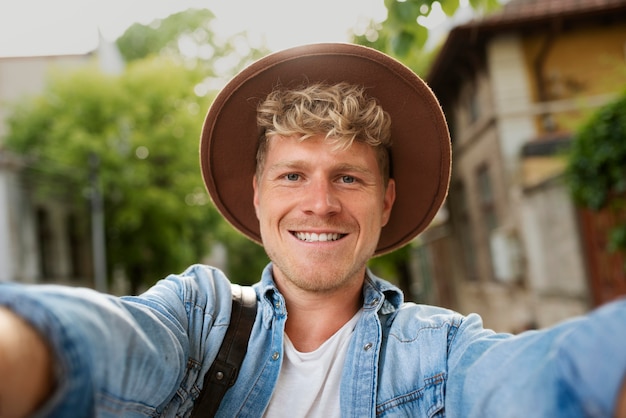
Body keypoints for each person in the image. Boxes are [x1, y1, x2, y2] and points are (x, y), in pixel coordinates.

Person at [0, 43, 625, 418]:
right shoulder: (197, 317)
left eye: (349, 178)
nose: (320, 204)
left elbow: (544, 377)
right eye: (293, 175)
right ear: (257, 194)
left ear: (388, 201)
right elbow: (94, 344)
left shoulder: (439, 351)